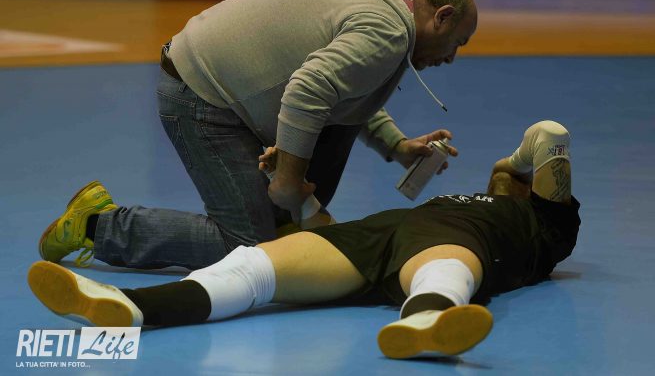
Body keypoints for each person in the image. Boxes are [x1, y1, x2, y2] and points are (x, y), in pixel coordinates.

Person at [38, 0, 476, 270]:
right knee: (246, 246)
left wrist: (397, 145)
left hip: (220, 81)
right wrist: (288, 182)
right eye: (458, 42)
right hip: (201, 97)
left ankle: (282, 219)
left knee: (319, 140)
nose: (452, 58)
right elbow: (309, 89)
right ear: (442, 16)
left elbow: (345, 83)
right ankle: (96, 225)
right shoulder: (388, 29)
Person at [28, 120, 580, 359]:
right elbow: (325, 230)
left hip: (461, 241)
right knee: (252, 265)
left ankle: (426, 322)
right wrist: (305, 199)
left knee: (443, 270)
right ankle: (129, 306)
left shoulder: (549, 223)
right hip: (376, 234)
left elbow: (549, 135)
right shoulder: (464, 198)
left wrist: (509, 167)